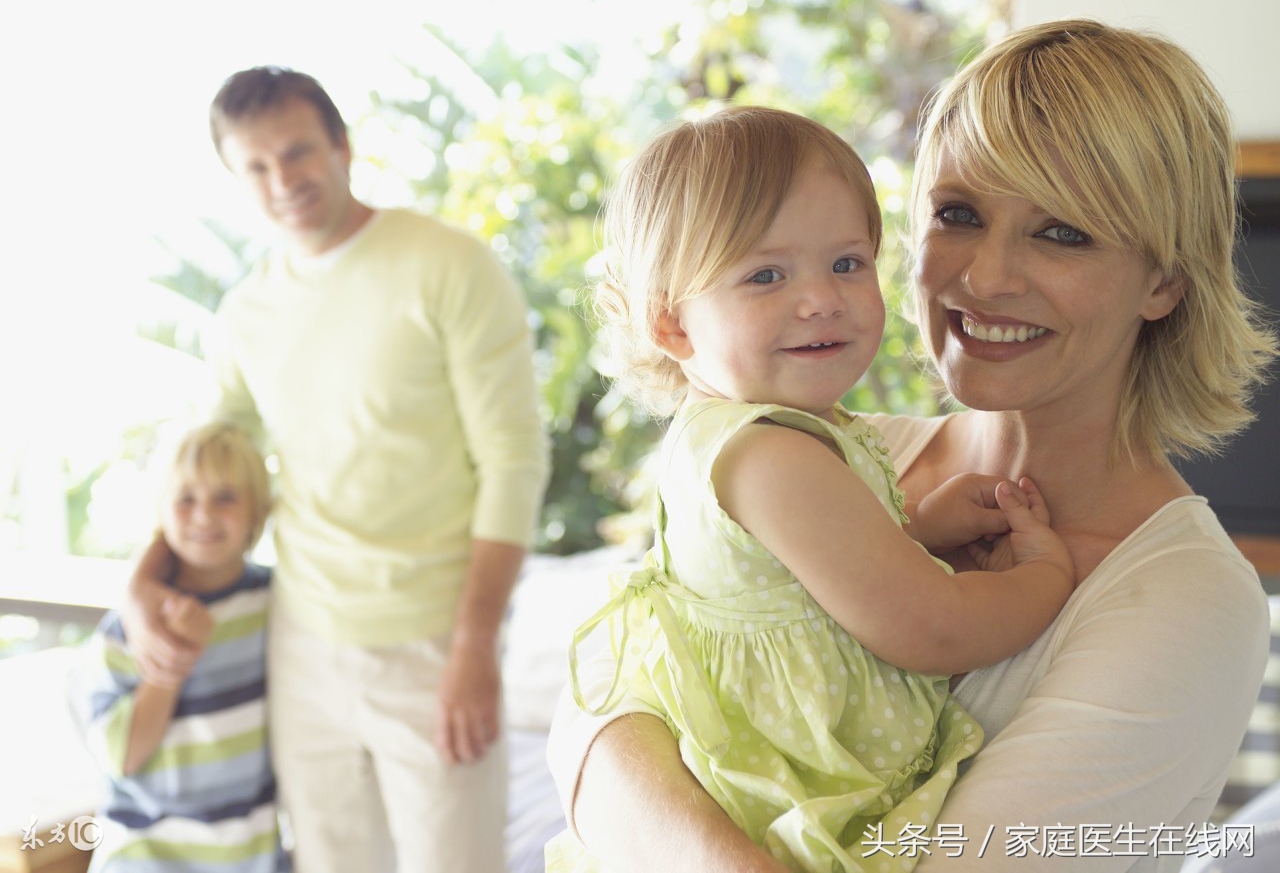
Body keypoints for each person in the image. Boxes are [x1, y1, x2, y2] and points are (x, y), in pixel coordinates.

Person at [547, 19, 1279, 872]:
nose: (985, 276)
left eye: (1063, 232)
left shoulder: (1184, 599)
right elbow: (603, 699)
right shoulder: (823, 452)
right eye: (959, 214)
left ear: (1164, 281)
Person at [545, 106, 1075, 872]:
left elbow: (793, 576)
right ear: (674, 328)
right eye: (766, 274)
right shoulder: (771, 455)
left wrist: (916, 526)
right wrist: (1045, 579)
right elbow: (932, 631)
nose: (821, 298)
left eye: (847, 263)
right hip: (776, 807)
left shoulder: (753, 435)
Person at [123, 67, 549, 872]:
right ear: (233, 178)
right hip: (302, 636)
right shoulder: (246, 311)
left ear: (342, 147)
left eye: (298, 153)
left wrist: (473, 647)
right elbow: (207, 468)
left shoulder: (449, 264)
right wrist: (141, 585)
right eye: (255, 166)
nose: (283, 181)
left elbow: (514, 461)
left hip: (435, 637)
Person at [79, 422, 282, 872]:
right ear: (161, 512)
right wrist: (171, 661)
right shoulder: (126, 628)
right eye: (185, 498)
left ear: (257, 510)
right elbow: (123, 756)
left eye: (226, 497)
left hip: (250, 857)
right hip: (145, 855)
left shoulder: (274, 603)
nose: (204, 515)